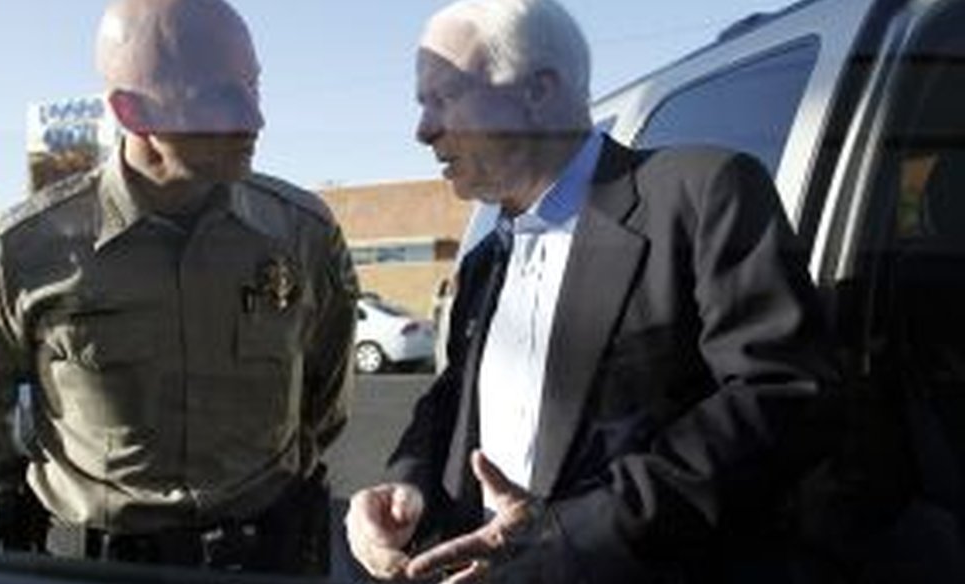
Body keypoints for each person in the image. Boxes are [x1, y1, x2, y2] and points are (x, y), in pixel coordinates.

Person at [344, 0, 841, 581]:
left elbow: (781, 396)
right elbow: (453, 402)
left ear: (539, 89)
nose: (424, 128)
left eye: (443, 98)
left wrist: (571, 539)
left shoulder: (701, 195)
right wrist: (404, 486)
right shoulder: (485, 261)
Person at [0, 0, 357, 575]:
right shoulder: (21, 252)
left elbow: (325, 398)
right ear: (132, 111)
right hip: (93, 569)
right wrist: (24, 505)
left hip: (267, 556)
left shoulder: (301, 235)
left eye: (253, 87)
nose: (254, 118)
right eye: (219, 96)